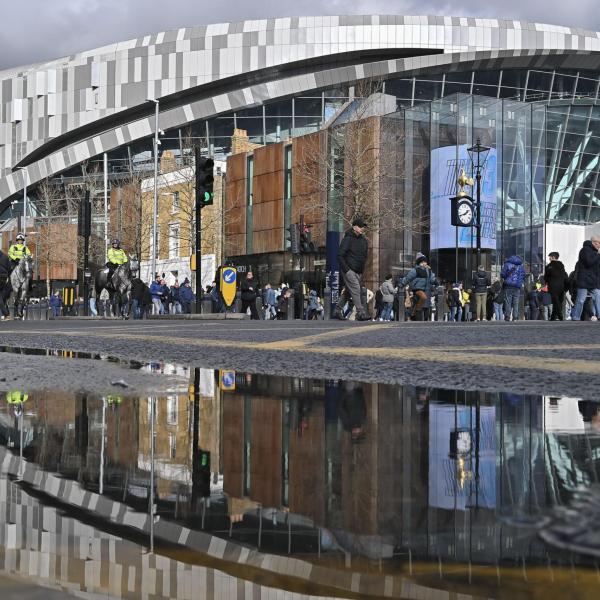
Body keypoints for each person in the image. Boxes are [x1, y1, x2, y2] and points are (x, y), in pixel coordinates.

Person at [335, 217, 369, 321]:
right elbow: (340, 255)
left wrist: (361, 270)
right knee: (356, 290)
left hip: (359, 271)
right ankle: (361, 312)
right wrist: (347, 270)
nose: (363, 228)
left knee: (349, 292)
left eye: (363, 226)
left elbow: (364, 256)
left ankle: (337, 310)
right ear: (354, 227)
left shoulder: (364, 240)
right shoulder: (347, 239)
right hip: (349, 270)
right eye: (360, 226)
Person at [400, 254, 437, 321]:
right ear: (419, 263)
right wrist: (402, 283)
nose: (424, 263)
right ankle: (417, 310)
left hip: (425, 289)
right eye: (422, 262)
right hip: (417, 288)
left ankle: (415, 313)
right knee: (423, 297)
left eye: (425, 262)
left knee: (423, 304)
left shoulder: (428, 270)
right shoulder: (416, 270)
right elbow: (408, 277)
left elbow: (432, 279)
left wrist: (435, 281)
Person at [573, 236, 600, 321]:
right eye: (598, 243)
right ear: (593, 242)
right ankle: (576, 317)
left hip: (593, 280)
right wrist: (598, 255)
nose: (599, 245)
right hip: (584, 279)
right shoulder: (585, 250)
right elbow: (589, 262)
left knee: (598, 297)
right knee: (581, 299)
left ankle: (599, 315)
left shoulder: (595, 252)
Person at [544, 252, 568, 321]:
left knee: (555, 301)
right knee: (558, 302)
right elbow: (564, 275)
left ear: (553, 257)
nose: (549, 258)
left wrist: (547, 282)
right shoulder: (561, 265)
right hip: (561, 286)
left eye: (550, 257)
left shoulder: (549, 266)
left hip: (553, 286)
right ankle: (553, 317)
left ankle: (560, 316)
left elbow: (546, 277)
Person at [500, 255, 526, 321]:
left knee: (508, 301)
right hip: (517, 286)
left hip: (508, 285)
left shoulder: (507, 264)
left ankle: (507, 316)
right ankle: (515, 317)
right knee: (516, 302)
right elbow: (523, 276)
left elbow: (502, 274)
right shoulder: (521, 266)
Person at [0, 249, 11, 321]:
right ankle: (6, 314)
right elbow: (10, 268)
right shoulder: (5, 256)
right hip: (4, 278)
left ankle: (6, 314)